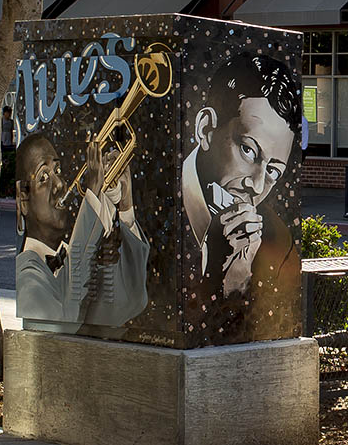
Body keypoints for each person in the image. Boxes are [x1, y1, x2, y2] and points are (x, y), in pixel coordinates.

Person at [180, 52, 301, 343]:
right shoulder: (154, 211)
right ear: (206, 129)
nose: (257, 186)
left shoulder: (277, 240)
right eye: (248, 150)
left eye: (273, 170)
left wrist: (237, 285)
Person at [15, 134, 149, 329]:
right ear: (23, 200)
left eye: (58, 170)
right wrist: (93, 193)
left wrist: (125, 207)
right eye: (43, 177)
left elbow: (132, 301)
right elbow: (62, 324)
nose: (60, 184)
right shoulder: (26, 275)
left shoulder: (76, 256)